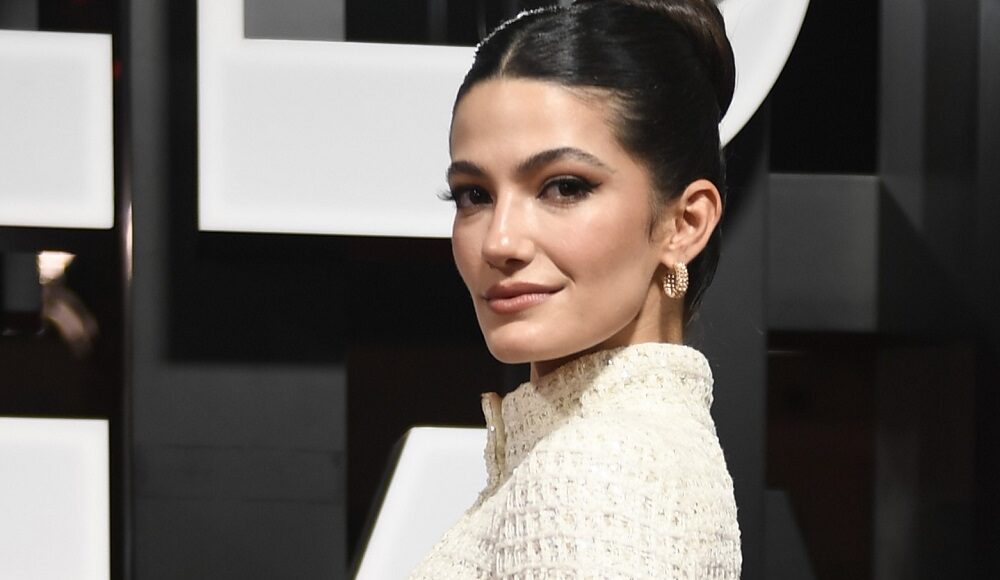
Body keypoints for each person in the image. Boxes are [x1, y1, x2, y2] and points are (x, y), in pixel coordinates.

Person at [410, 0, 741, 576]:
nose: (499, 241)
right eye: (474, 195)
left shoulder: (595, 473)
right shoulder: (643, 449)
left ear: (685, 223)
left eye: (564, 187)